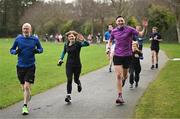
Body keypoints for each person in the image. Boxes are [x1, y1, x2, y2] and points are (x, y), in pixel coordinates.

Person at [10, 23, 43, 115]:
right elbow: (11, 49)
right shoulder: (18, 39)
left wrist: (37, 51)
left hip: (31, 66)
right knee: (23, 88)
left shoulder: (35, 39)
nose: (25, 30)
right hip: (20, 66)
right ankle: (28, 93)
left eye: (27, 28)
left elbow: (41, 49)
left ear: (30, 29)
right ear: (22, 30)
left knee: (26, 86)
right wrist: (15, 52)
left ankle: (25, 106)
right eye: (24, 28)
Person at [107, 16, 139, 104]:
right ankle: (120, 96)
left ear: (124, 21)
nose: (120, 22)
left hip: (127, 56)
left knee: (125, 75)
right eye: (119, 21)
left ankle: (124, 79)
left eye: (122, 20)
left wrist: (145, 27)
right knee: (118, 76)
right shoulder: (114, 31)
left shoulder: (130, 29)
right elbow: (110, 40)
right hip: (117, 55)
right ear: (116, 22)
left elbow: (140, 34)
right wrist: (108, 49)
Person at [58, 31, 89, 103]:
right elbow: (64, 52)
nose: (71, 37)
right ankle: (68, 95)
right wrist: (60, 59)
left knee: (75, 79)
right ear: (68, 38)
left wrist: (83, 40)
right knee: (69, 79)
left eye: (72, 36)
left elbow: (87, 44)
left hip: (77, 65)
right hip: (69, 65)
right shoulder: (66, 44)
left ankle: (78, 83)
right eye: (70, 36)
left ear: (75, 37)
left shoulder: (78, 44)